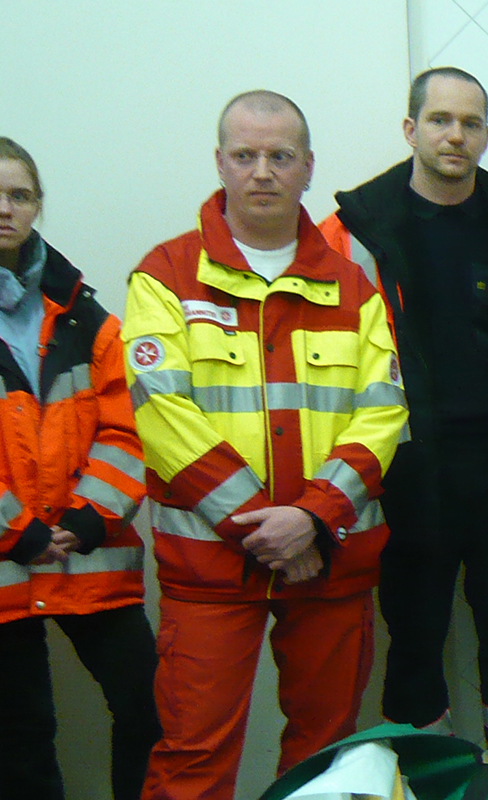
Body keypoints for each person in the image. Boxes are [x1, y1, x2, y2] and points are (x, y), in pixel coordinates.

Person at [128, 91, 406, 800]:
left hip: (329, 563)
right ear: (219, 162)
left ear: (308, 167)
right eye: (245, 155)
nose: (261, 172)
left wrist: (311, 518)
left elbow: (382, 414)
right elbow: (162, 415)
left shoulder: (353, 288)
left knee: (325, 758)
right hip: (211, 566)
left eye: (280, 156)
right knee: (193, 755)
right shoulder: (166, 275)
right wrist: (269, 529)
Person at [319, 66, 488, 742]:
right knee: (412, 652)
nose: (455, 135)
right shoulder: (353, 231)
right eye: (440, 120)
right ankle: (425, 783)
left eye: (470, 123)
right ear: (411, 129)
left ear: (486, 136)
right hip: (406, 480)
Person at [0, 137, 156, 800]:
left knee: (153, 712)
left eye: (19, 195)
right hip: (6, 567)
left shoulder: (89, 317)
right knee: (20, 741)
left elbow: (129, 428)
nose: (5, 208)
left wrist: (90, 516)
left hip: (86, 554)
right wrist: (17, 529)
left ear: (38, 205)